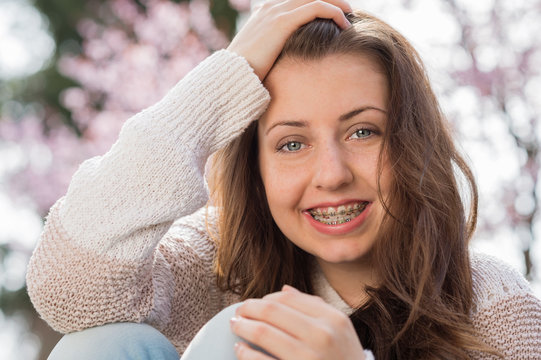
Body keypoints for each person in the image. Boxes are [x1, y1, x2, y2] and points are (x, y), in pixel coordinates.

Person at [26, 0, 541, 359]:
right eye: (292, 143)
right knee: (98, 347)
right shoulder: (212, 261)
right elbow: (68, 290)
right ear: (258, 167)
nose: (333, 175)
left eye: (364, 132)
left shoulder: (496, 310)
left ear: (412, 145)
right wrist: (225, 77)